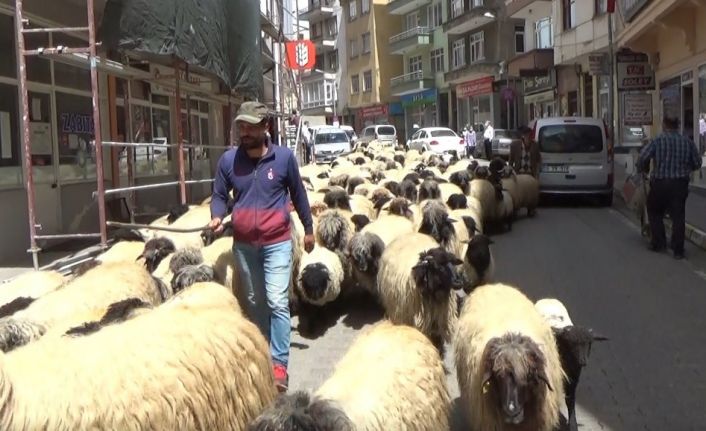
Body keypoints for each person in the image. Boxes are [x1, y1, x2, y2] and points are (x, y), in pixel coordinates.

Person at [209, 101, 315, 392]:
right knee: (255, 302)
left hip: (277, 241)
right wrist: (217, 215)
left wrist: (308, 229)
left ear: (266, 126)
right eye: (241, 125)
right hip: (243, 245)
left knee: (277, 301)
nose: (244, 131)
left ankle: (279, 364)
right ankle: (265, 350)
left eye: (250, 126)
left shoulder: (283, 159)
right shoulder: (229, 161)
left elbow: (299, 194)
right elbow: (219, 194)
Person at [637, 116, 703, 259]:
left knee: (654, 211)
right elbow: (698, 162)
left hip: (660, 183)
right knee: (678, 215)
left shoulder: (658, 140)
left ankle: (659, 242)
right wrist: (686, 168)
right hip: (679, 184)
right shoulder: (687, 142)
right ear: (677, 125)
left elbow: (643, 156)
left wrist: (643, 167)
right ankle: (678, 250)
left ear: (664, 124)